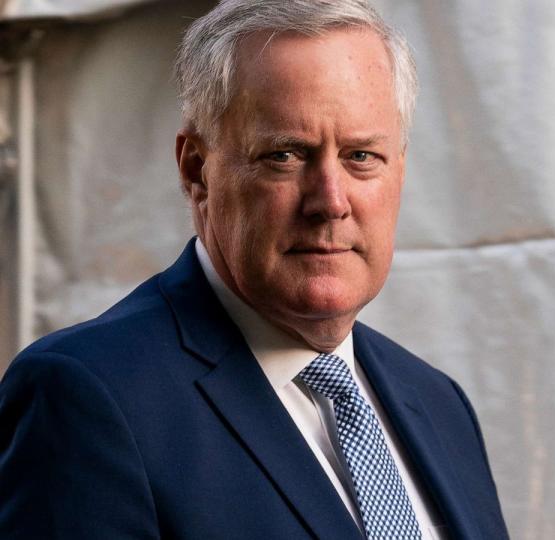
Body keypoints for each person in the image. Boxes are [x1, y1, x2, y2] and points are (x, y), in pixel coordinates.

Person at [0, 1, 509, 538]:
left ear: (399, 171)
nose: (330, 201)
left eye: (360, 156)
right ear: (197, 170)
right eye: (284, 156)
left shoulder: (438, 403)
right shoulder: (86, 396)